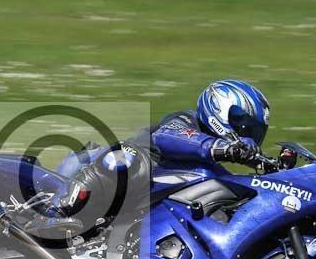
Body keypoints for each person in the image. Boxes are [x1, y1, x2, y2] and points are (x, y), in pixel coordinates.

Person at [46, 79, 271, 225]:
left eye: (252, 131)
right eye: (243, 125)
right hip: (93, 166)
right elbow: (167, 138)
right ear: (220, 108)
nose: (246, 134)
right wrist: (222, 147)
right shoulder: (184, 121)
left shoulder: (208, 165)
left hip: (125, 210)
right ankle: (55, 216)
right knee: (128, 157)